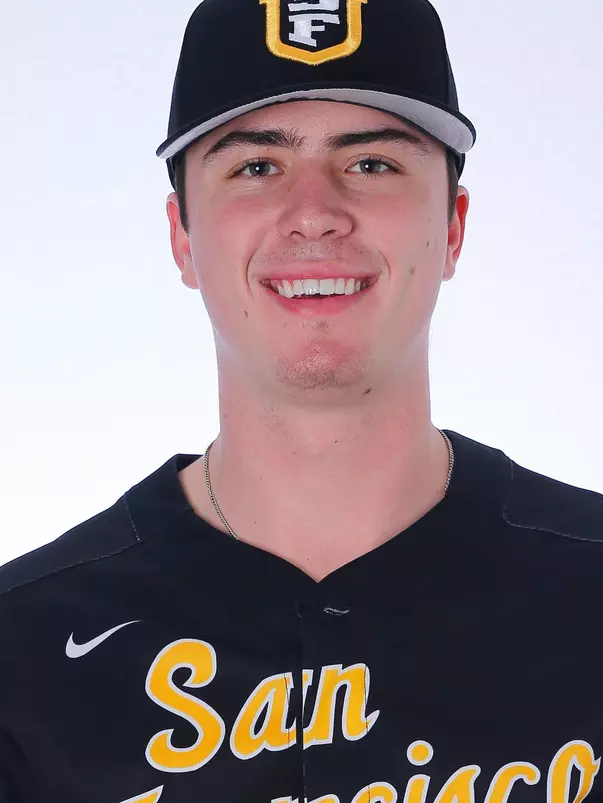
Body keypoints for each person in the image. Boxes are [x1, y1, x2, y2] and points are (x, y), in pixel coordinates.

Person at [1, 0, 602, 801]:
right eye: (255, 165)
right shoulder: (25, 649)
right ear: (183, 235)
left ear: (453, 227)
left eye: (371, 163)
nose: (313, 212)